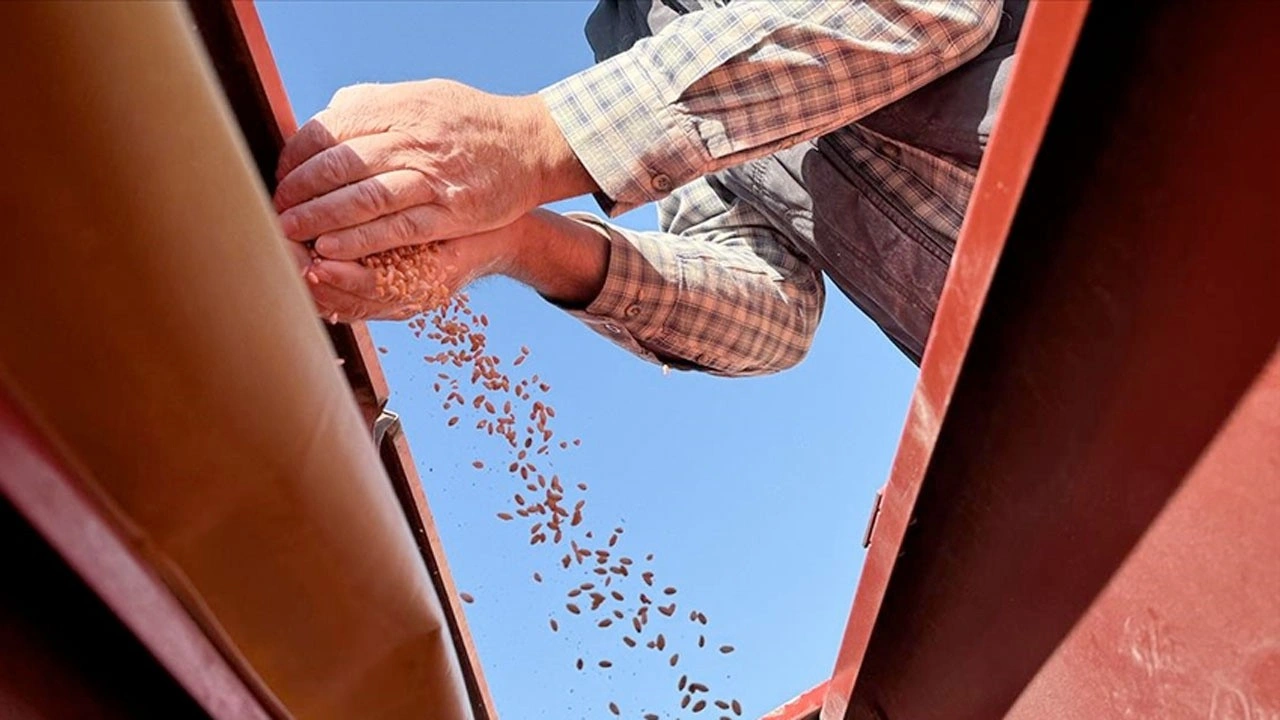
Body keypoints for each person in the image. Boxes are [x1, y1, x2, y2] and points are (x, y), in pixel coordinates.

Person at [274, 0, 1025, 376]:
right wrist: (518, 241)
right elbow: (777, 311)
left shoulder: (608, 100)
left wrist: (538, 140)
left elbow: (945, 9)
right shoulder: (630, 42)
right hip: (1027, 372)